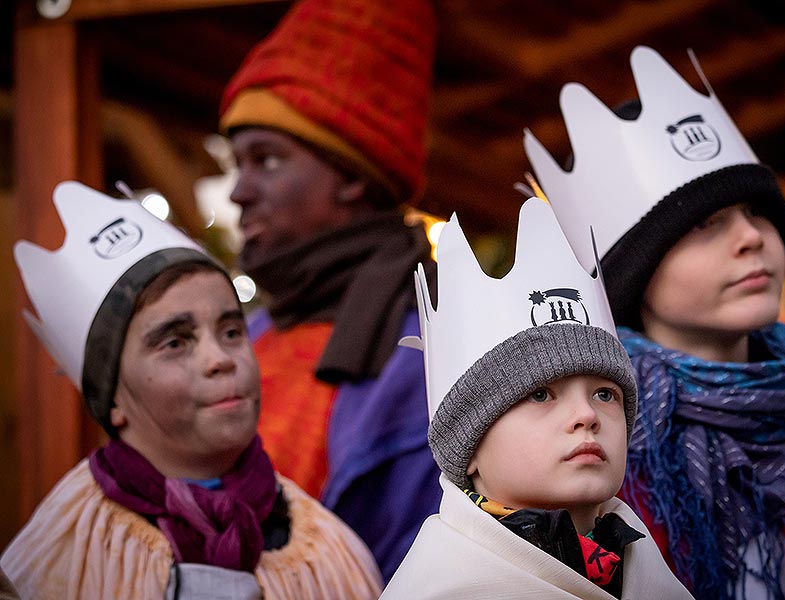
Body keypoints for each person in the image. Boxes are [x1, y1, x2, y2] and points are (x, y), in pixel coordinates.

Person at [526, 46, 785, 600]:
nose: (752, 236)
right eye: (705, 223)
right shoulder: (597, 463)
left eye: (756, 212)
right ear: (636, 276)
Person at [1, 181, 382, 599]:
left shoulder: (329, 552)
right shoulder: (60, 554)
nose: (219, 358)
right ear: (113, 399)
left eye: (232, 331)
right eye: (175, 342)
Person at [218, 0, 440, 580]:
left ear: (352, 177)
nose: (239, 191)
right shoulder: (252, 334)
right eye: (237, 163)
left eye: (266, 159)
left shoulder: (436, 348)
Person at [382, 197, 694, 599]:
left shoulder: (643, 567)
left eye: (605, 393)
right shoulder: (447, 590)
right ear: (468, 444)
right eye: (541, 394)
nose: (586, 415)